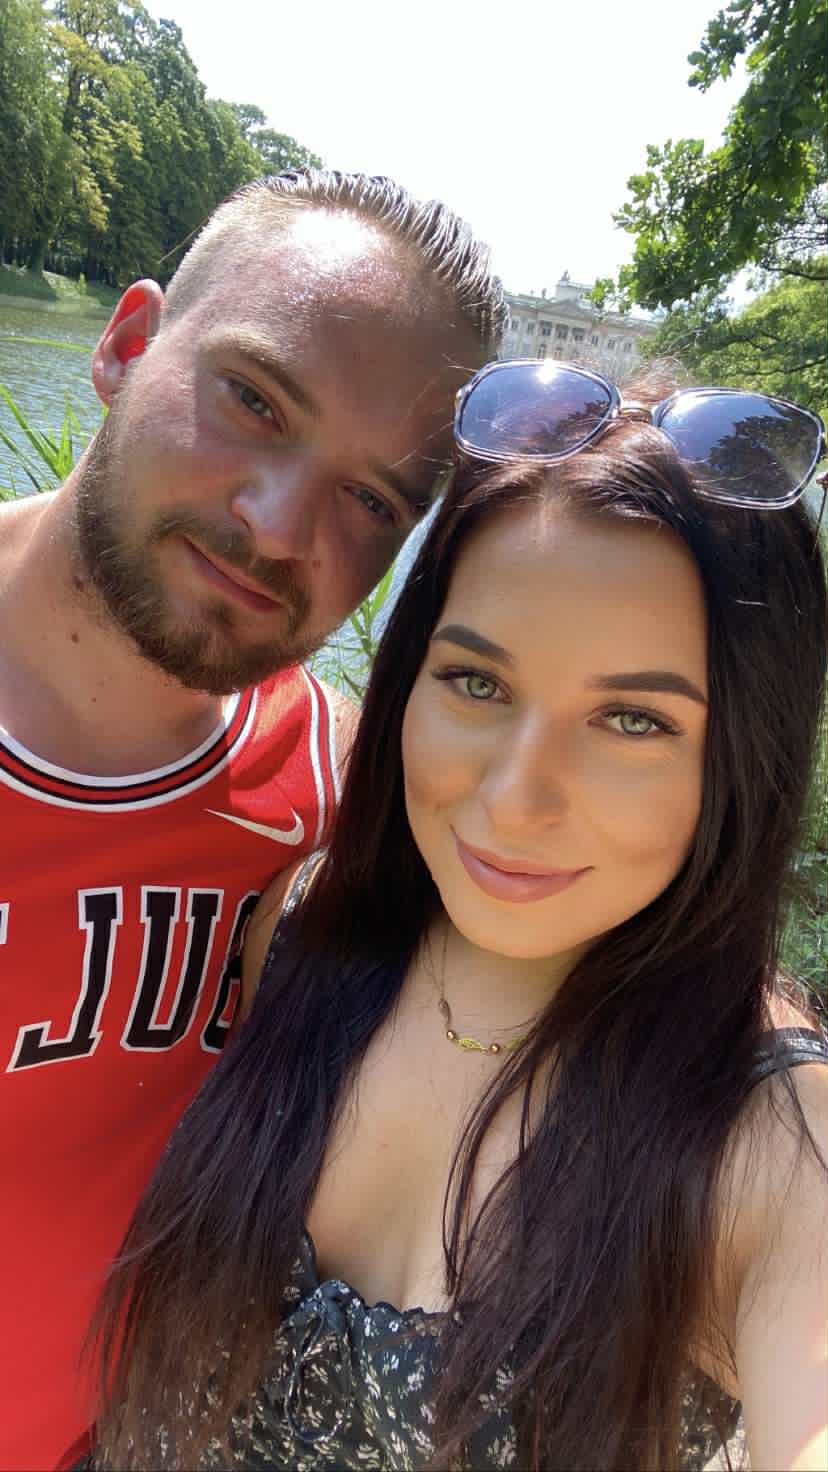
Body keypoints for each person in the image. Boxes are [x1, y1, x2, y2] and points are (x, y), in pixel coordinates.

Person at [91, 363, 827, 1471]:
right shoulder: (302, 930)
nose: (514, 800)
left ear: (743, 759)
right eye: (477, 684)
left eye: (633, 719)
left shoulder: (768, 1142)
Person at [0, 168, 506, 1472]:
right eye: (254, 399)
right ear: (126, 344)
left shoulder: (343, 800)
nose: (279, 527)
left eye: (372, 500)